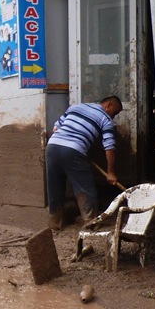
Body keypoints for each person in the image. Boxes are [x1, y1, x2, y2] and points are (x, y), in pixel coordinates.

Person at [45, 95, 123, 230]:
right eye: (115, 112)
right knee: (85, 188)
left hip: (52, 147)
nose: (113, 116)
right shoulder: (105, 119)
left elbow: (55, 128)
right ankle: (90, 223)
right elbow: (109, 147)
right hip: (74, 151)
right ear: (108, 105)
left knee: (55, 188)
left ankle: (55, 225)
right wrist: (110, 172)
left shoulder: (76, 107)